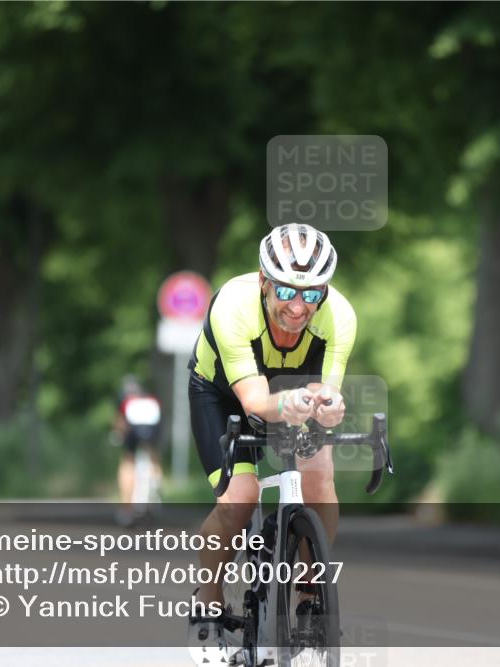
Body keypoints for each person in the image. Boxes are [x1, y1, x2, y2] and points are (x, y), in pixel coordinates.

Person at [186, 223, 356, 662]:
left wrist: (331, 406)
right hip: (223, 394)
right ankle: (208, 606)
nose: (299, 307)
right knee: (241, 497)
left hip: (292, 389)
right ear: (264, 282)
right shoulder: (233, 308)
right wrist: (299, 403)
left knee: (319, 478)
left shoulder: (341, 317)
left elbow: (328, 391)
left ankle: (309, 593)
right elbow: (257, 402)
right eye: (286, 292)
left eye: (312, 294)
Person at [112, 375, 163, 525]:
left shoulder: (125, 399)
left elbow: (120, 422)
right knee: (153, 455)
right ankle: (154, 483)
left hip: (133, 428)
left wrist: (118, 435)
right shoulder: (150, 398)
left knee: (128, 461)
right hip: (152, 425)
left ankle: (127, 508)